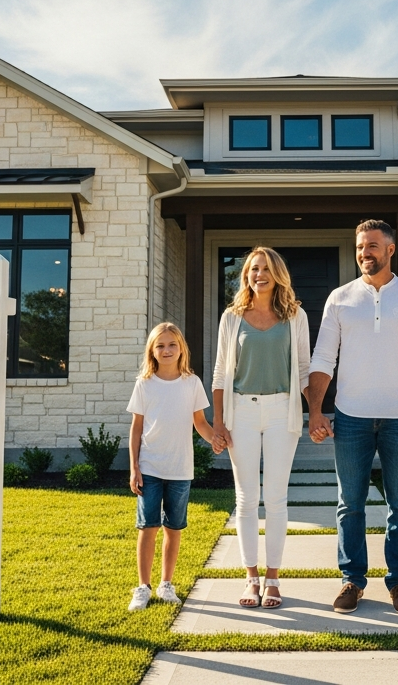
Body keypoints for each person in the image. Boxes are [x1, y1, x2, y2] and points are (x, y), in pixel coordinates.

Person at [308, 219, 398, 616]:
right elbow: (322, 359)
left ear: (390, 250)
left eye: (371, 246)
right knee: (349, 503)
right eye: (359, 247)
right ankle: (352, 580)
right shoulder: (339, 298)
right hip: (351, 416)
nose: (364, 253)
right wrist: (316, 409)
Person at [210, 247, 312, 609]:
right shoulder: (232, 317)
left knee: (277, 498)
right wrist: (218, 423)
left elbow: (304, 368)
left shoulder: (295, 315)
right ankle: (250, 578)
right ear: (246, 275)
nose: (259, 274)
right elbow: (221, 372)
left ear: (277, 274)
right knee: (247, 499)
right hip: (243, 412)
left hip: (282, 410)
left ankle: (273, 579)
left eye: (266, 268)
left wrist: (315, 411)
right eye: (254, 269)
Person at [126, 322, 225, 612]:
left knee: (174, 528)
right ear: (152, 351)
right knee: (148, 527)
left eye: (172, 344)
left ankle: (166, 584)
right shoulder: (144, 383)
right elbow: (136, 429)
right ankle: (142, 587)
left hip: (180, 469)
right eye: (160, 345)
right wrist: (134, 467)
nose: (166, 350)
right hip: (150, 467)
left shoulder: (191, 383)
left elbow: (201, 423)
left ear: (181, 348)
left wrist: (215, 440)